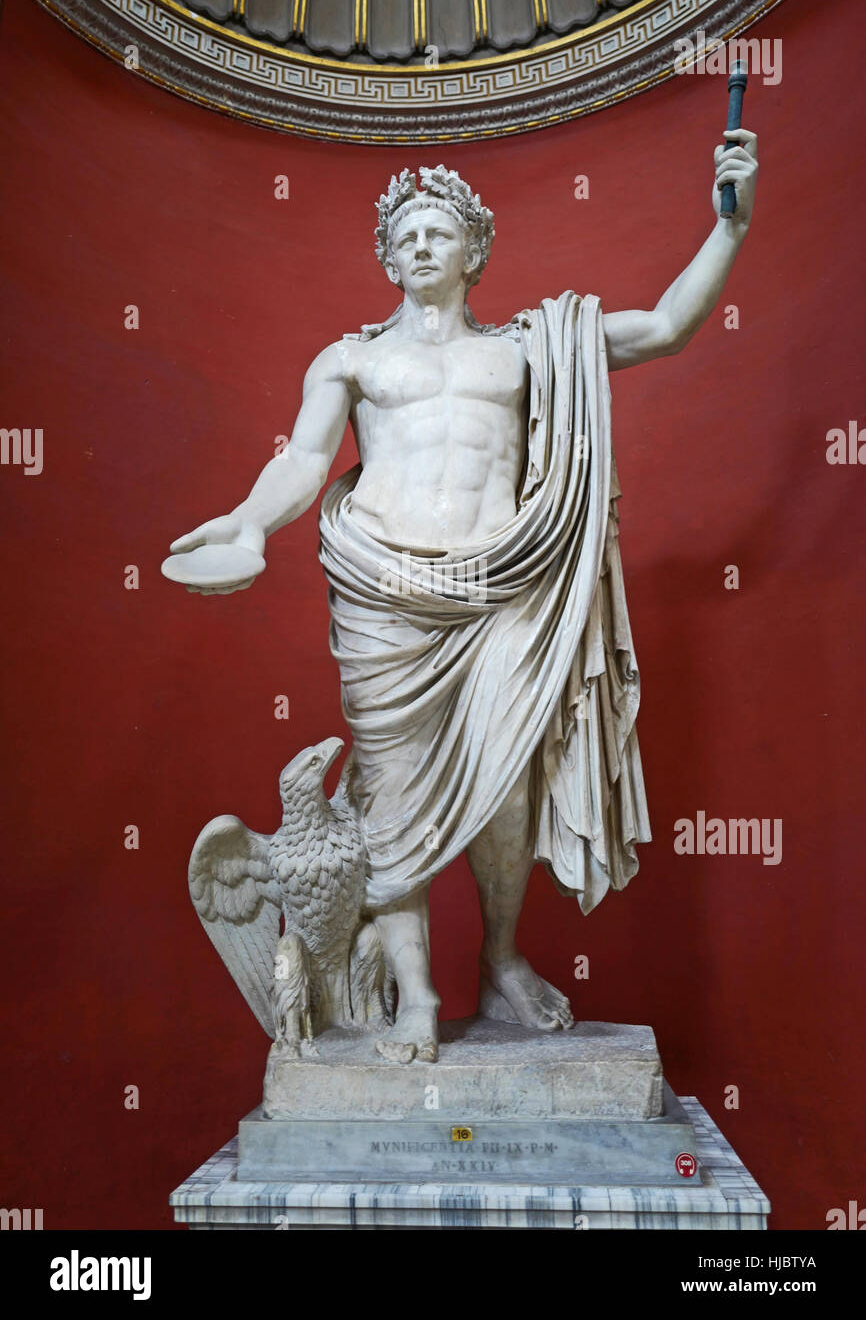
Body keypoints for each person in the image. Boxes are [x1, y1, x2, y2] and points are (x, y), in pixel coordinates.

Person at [167, 136, 758, 1063]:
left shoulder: (530, 350)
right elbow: (304, 460)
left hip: (501, 590)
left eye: (440, 232)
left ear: (474, 251)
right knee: (392, 799)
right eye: (405, 236)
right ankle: (415, 997)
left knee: (507, 789)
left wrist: (730, 225)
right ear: (387, 257)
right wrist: (248, 523)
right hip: (384, 595)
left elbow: (664, 328)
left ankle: (502, 959)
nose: (422, 246)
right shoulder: (353, 364)